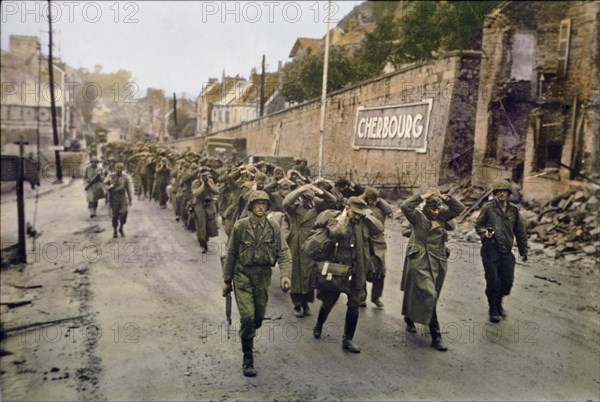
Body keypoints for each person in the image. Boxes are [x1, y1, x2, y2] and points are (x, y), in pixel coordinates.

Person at [222, 190, 292, 377]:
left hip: (262, 276)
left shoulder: (273, 228)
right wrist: (227, 280)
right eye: (257, 203)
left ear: (268, 207)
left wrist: (285, 275)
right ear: (251, 206)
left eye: (264, 204)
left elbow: (284, 253)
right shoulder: (240, 226)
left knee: (257, 317)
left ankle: (249, 330)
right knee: (247, 317)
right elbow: (231, 254)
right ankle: (248, 359)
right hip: (242, 275)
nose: (260, 207)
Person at [312, 197, 384, 353]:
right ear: (347, 207)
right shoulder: (336, 219)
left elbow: (379, 229)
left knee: (354, 305)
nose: (357, 216)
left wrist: (368, 215)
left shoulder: (363, 222)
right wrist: (344, 217)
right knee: (329, 301)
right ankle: (319, 325)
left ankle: (348, 339)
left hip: (358, 270)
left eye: (360, 214)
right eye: (354, 213)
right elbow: (336, 232)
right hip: (338, 270)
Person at [400, 188, 465, 351]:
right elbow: (405, 206)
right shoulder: (417, 217)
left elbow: (459, 208)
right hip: (421, 259)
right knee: (429, 294)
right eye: (432, 208)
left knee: (431, 295)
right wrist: (423, 196)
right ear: (426, 207)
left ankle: (409, 316)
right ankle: (436, 336)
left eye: (437, 208)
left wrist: (444, 197)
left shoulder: (443, 215)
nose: (435, 212)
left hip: (438, 260)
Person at [475, 179, 528, 323]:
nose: (502, 194)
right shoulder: (488, 208)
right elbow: (478, 225)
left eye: (505, 191)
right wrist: (485, 233)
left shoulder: (514, 210)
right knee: (493, 282)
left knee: (507, 283)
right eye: (499, 192)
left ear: (509, 193)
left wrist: (523, 250)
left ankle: (499, 302)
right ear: (495, 194)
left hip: (506, 252)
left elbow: (520, 230)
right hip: (490, 251)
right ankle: (493, 308)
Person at [282, 184, 327, 317]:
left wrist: (319, 190)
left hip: (311, 244)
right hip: (295, 243)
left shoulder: (317, 208)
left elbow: (332, 202)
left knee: (309, 274)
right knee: (296, 274)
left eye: (309, 199)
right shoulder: (293, 208)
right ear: (300, 198)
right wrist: (299, 190)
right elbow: (286, 202)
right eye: (304, 198)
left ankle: (306, 302)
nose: (307, 202)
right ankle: (297, 304)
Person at [360, 187, 393, 308]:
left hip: (379, 241)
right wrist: (363, 197)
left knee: (381, 270)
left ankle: (376, 297)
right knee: (362, 269)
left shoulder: (381, 208)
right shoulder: (361, 207)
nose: (373, 201)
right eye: (371, 199)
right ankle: (361, 297)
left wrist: (379, 200)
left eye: (375, 199)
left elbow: (389, 210)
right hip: (364, 241)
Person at [192, 168, 220, 253]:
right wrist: (203, 184)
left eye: (207, 175)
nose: (205, 177)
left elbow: (216, 191)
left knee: (210, 225)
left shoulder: (210, 181)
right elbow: (196, 193)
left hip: (209, 205)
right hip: (200, 205)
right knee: (201, 225)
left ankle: (205, 240)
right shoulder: (195, 183)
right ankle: (203, 244)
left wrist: (208, 183)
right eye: (203, 175)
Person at [104, 163, 133, 238]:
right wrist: (109, 187)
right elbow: (105, 184)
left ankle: (121, 228)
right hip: (114, 197)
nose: (119, 171)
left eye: (121, 170)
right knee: (115, 215)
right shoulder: (110, 176)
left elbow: (128, 189)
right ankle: (115, 230)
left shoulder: (125, 177)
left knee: (124, 212)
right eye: (118, 169)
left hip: (122, 197)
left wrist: (130, 199)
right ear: (115, 169)